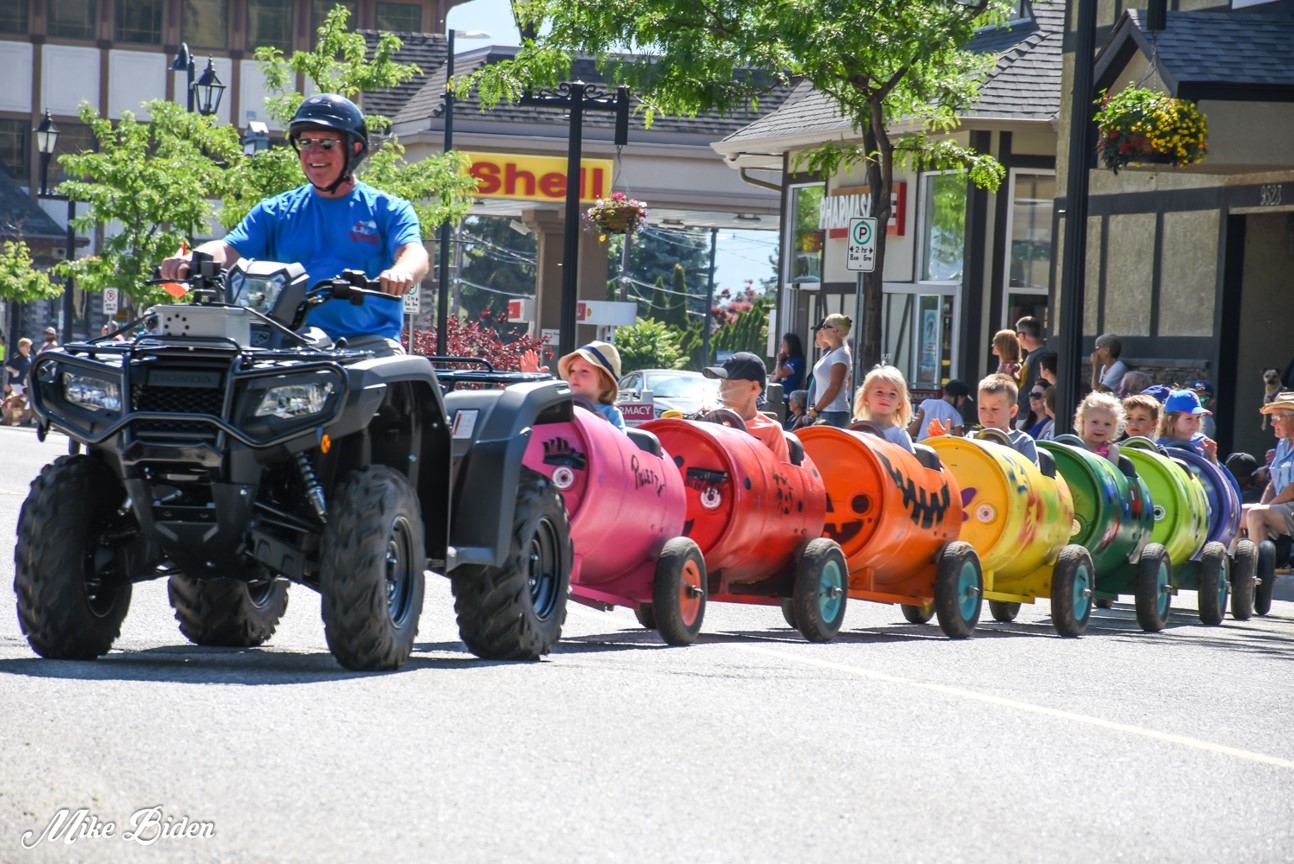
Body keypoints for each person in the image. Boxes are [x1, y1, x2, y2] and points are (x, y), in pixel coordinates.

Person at [159, 94, 428, 355]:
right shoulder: (276, 210)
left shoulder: (388, 209)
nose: (313, 153)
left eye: (326, 143)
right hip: (287, 341)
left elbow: (414, 253)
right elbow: (229, 249)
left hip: (369, 344)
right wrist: (193, 259)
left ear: (354, 149)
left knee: (388, 381)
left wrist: (401, 272)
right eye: (305, 142)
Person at [703, 352, 790, 463]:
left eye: (729, 382)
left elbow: (783, 476)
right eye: (722, 381)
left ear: (754, 387)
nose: (721, 388)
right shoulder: (714, 424)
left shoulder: (772, 430)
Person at [521, 341, 625, 429]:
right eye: (572, 371)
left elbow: (622, 447)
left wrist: (606, 428)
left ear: (605, 383)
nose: (575, 375)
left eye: (584, 371)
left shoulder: (611, 413)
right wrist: (533, 382)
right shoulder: (560, 407)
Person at [1246, 392, 1294, 552]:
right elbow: (1273, 481)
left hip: (1291, 506)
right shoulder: (1283, 444)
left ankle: (1258, 573)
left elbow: (1292, 490)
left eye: (1277, 418)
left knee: (1255, 515)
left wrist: (1266, 508)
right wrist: (1264, 505)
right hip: (1283, 506)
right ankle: (1236, 568)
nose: (1272, 423)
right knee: (1236, 514)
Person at [976, 373, 1039, 465]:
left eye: (995, 409)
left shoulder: (1023, 442)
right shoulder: (971, 438)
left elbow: (1032, 476)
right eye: (982, 408)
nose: (987, 414)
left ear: (1012, 411)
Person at [852, 365, 915, 453]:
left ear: (900, 403)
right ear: (866, 398)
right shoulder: (856, 431)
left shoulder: (900, 436)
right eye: (879, 392)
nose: (885, 398)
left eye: (892, 394)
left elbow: (910, 465)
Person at [807, 314, 852, 428]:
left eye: (825, 326)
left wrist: (816, 408)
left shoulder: (841, 354)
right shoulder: (831, 353)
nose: (821, 330)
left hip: (834, 413)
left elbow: (834, 387)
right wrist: (814, 405)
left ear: (835, 331)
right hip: (825, 411)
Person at [1156, 388, 1218, 464]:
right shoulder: (1159, 446)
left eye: (1198, 417)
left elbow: (1214, 474)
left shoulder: (1202, 442)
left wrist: (1211, 455)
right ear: (1170, 420)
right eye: (1189, 419)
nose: (1195, 423)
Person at [1075, 391, 1124, 465]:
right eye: (1095, 422)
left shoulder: (1111, 450)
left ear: (1114, 427)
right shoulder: (1074, 444)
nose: (1100, 428)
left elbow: (1110, 473)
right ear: (1083, 422)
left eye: (1107, 424)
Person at [1015, 316, 1046, 425]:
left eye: (1017, 334)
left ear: (1023, 335)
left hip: (1030, 416)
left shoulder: (1040, 355)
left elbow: (1039, 384)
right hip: (1024, 413)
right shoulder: (1032, 355)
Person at [769, 333, 806, 398]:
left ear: (790, 344)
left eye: (783, 343)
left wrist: (778, 361)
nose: (781, 346)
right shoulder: (784, 361)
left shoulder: (797, 361)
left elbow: (779, 374)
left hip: (787, 397)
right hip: (777, 396)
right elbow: (771, 377)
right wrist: (776, 376)